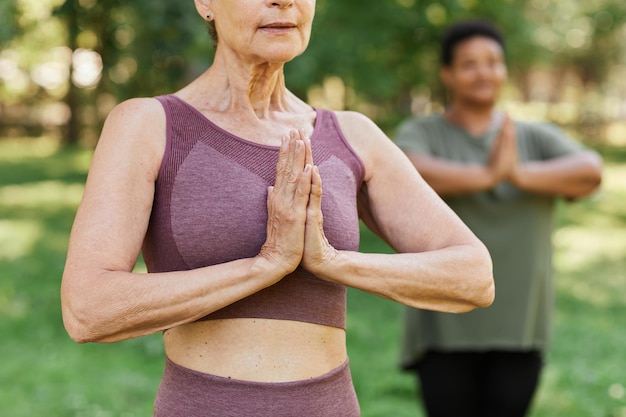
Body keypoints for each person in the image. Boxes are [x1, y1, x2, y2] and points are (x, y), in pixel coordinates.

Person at [60, 2, 495, 416]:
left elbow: (474, 276)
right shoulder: (148, 125)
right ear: (205, 2)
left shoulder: (353, 135)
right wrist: (265, 266)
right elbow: (88, 308)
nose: (283, 1)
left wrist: (332, 262)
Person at [395, 19, 603, 417]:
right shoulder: (422, 132)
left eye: (493, 62)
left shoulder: (531, 136)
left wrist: (518, 174)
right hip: (445, 321)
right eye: (469, 63)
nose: (484, 72)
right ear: (447, 74)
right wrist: (487, 176)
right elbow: (405, 171)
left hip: (519, 323)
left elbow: (590, 170)